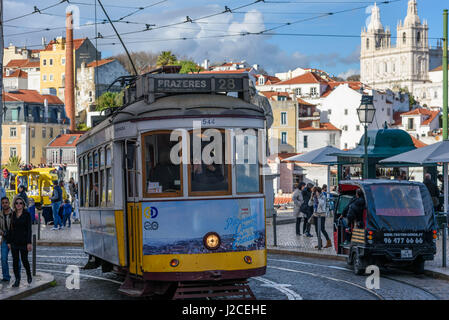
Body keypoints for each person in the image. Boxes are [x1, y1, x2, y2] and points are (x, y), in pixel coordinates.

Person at [6, 196, 32, 287]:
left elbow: (29, 229)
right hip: (14, 242)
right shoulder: (12, 214)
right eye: (17, 203)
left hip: (24, 242)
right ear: (14, 204)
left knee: (25, 261)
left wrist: (29, 243)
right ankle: (17, 279)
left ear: (23, 204)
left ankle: (29, 274)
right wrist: (9, 242)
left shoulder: (27, 214)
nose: (18, 205)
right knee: (15, 261)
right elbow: (10, 229)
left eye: (20, 203)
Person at [0, 197, 20, 282]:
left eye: (6, 202)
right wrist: (2, 233)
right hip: (4, 239)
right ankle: (6, 277)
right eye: (3, 203)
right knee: (3, 259)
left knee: (16, 259)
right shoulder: (0, 214)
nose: (5, 204)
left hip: (14, 240)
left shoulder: (14, 214)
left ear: (9, 203)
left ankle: (17, 277)